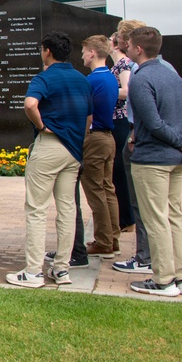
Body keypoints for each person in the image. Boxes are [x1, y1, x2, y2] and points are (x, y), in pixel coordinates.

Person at [7, 32, 92, 289]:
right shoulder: (82, 80)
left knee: (36, 209)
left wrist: (41, 126)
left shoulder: (43, 78)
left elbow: (31, 104)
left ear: (47, 52)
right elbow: (89, 118)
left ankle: (33, 272)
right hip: (73, 150)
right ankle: (62, 269)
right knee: (67, 209)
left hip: (50, 146)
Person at [126, 26, 182, 297]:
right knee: (174, 217)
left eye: (129, 45)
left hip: (153, 160)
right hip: (177, 160)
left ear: (138, 49)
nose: (127, 48)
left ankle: (163, 280)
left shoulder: (141, 80)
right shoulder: (174, 78)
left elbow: (152, 123)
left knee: (156, 219)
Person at [112, 19, 156, 276]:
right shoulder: (163, 69)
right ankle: (151, 257)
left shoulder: (136, 71)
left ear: (132, 44)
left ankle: (145, 258)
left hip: (143, 144)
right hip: (143, 140)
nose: (116, 42)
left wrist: (134, 136)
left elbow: (148, 115)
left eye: (119, 38)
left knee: (144, 205)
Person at [79, 35, 121, 259]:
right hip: (108, 138)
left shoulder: (92, 80)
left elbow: (87, 113)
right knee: (108, 189)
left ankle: (103, 242)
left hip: (94, 139)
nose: (83, 55)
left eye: (84, 51)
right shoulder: (111, 78)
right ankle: (112, 238)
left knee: (95, 191)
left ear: (93, 52)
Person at [109, 32, 135, 232]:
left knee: (119, 169)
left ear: (116, 45)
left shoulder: (123, 64)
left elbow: (126, 91)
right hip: (114, 119)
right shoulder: (116, 65)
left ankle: (126, 218)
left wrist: (103, 90)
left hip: (120, 120)